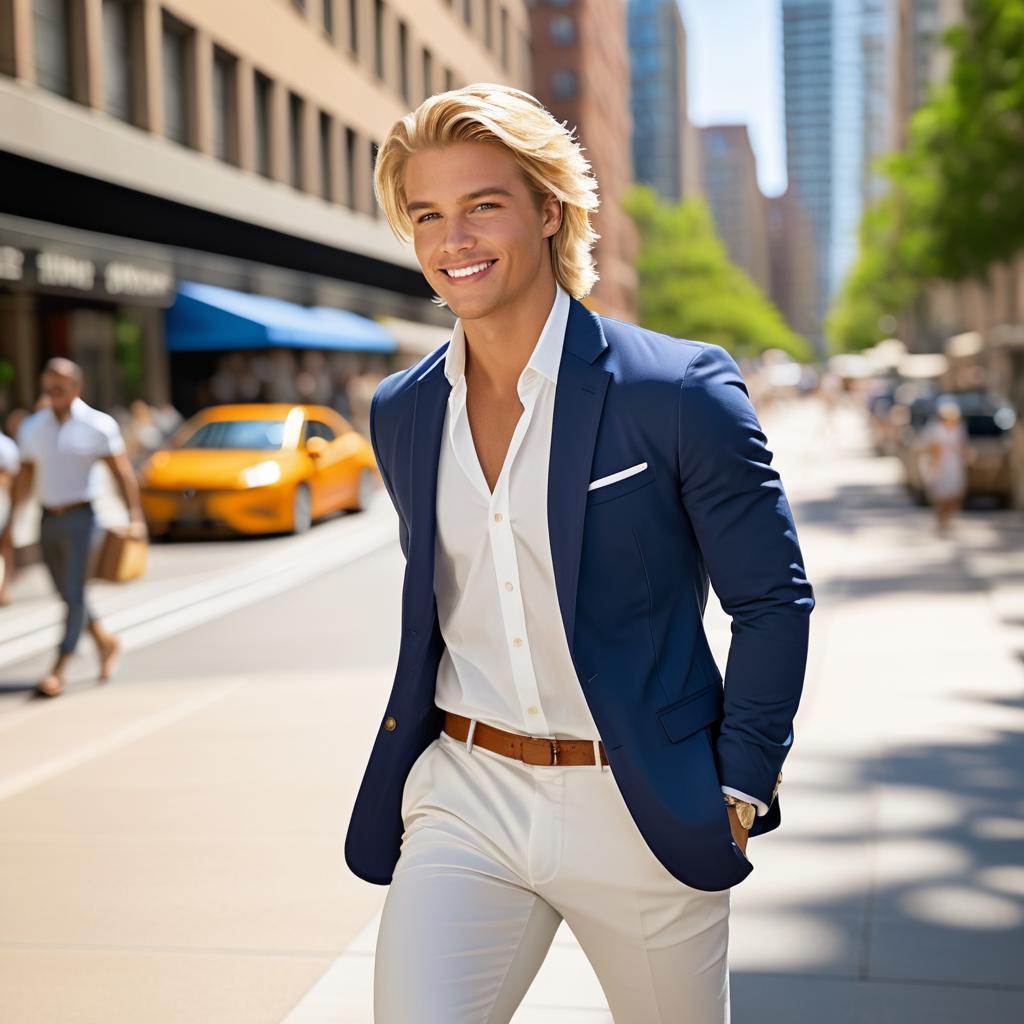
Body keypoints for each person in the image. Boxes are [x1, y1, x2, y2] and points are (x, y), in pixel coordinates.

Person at [344, 85, 815, 1023]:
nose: (454, 241)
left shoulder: (677, 390)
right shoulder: (402, 411)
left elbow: (772, 600)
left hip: (638, 804)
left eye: (484, 205)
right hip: (468, 796)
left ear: (548, 211)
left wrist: (738, 783)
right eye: (428, 215)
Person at [2, 359, 146, 698]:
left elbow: (122, 473)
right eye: (48, 383)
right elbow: (25, 477)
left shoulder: (98, 425)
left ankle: (60, 667)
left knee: (75, 592)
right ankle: (106, 642)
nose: (53, 389)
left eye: (61, 384)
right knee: (66, 592)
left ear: (76, 388)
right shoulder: (33, 427)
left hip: (84, 517)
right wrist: (12, 522)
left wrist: (135, 516)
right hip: (47, 517)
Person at [921, 398, 969, 534]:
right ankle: (941, 520)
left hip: (955, 465)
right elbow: (934, 450)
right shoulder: (936, 429)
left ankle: (947, 519)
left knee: (955, 493)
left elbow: (962, 446)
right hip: (942, 465)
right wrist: (934, 468)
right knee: (941, 494)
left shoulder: (958, 428)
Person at [0, 419, 21, 605]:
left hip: (2, 502)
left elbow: (12, 478)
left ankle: (4, 588)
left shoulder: (5, 446)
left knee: (6, 544)